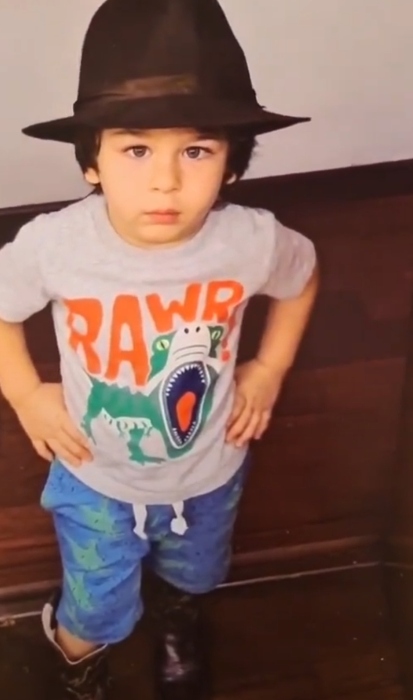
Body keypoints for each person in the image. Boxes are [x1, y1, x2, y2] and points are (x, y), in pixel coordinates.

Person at [0, 1, 318, 698]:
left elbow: (302, 278)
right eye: (136, 149)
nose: (166, 181)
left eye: (196, 151)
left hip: (210, 466)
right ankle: (79, 657)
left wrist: (269, 367)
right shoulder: (57, 245)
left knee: (196, 570)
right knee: (96, 601)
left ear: (231, 164)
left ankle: (177, 618)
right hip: (95, 473)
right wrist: (24, 391)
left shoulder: (251, 241)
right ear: (92, 161)